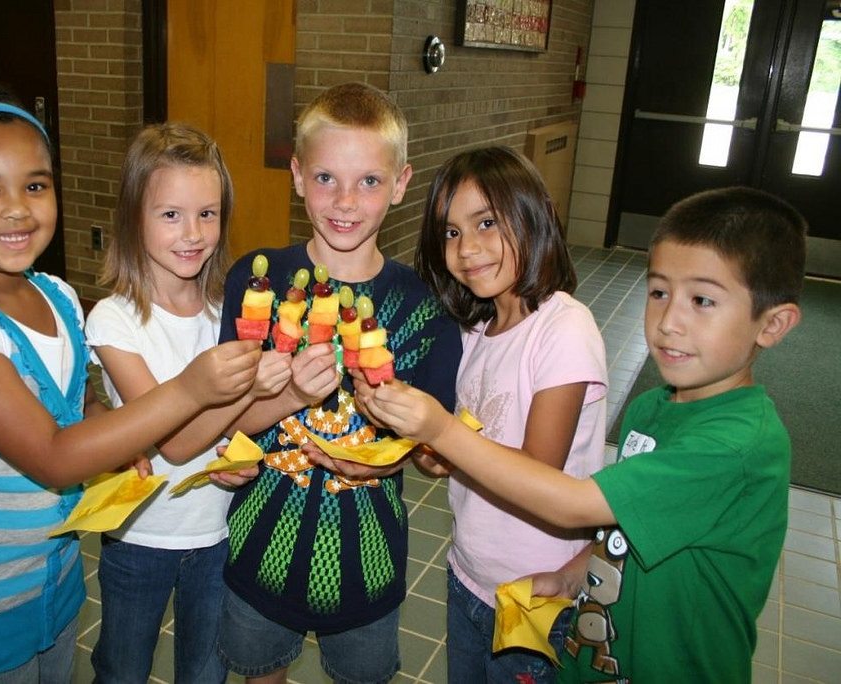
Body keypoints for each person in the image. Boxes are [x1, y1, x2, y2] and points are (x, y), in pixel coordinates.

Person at [0, 85, 261, 682]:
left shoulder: (59, 298)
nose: (16, 208)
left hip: (52, 575)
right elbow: (54, 458)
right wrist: (190, 391)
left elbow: (70, 404)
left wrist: (109, 428)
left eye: (35, 185)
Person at [359, 186, 805, 682]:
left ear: (773, 323)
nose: (669, 322)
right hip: (604, 655)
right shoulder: (653, 409)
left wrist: (440, 428)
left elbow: (575, 503)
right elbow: (624, 525)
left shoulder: (734, 448)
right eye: (659, 292)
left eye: (702, 300)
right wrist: (573, 573)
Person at [215, 81, 462, 684]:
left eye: (370, 181)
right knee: (259, 672)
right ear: (297, 175)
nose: (346, 201)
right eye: (326, 177)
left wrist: (409, 454)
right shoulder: (255, 281)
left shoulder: (425, 310)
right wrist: (235, 443)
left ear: (401, 184)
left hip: (367, 561)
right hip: (258, 547)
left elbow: (434, 448)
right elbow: (225, 415)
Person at [85, 122, 292, 682]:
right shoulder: (114, 320)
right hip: (141, 537)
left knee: (205, 673)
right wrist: (247, 387)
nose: (192, 232)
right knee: (122, 668)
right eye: (170, 214)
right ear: (135, 218)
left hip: (219, 533)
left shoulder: (229, 309)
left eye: (207, 213)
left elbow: (236, 425)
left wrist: (247, 449)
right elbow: (174, 441)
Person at [408, 146, 607, 682]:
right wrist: (437, 455)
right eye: (451, 232)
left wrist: (444, 434)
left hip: (536, 590)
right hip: (469, 573)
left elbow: (538, 470)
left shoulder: (563, 327)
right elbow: (476, 441)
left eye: (487, 222)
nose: (468, 248)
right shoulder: (475, 332)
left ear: (535, 213)